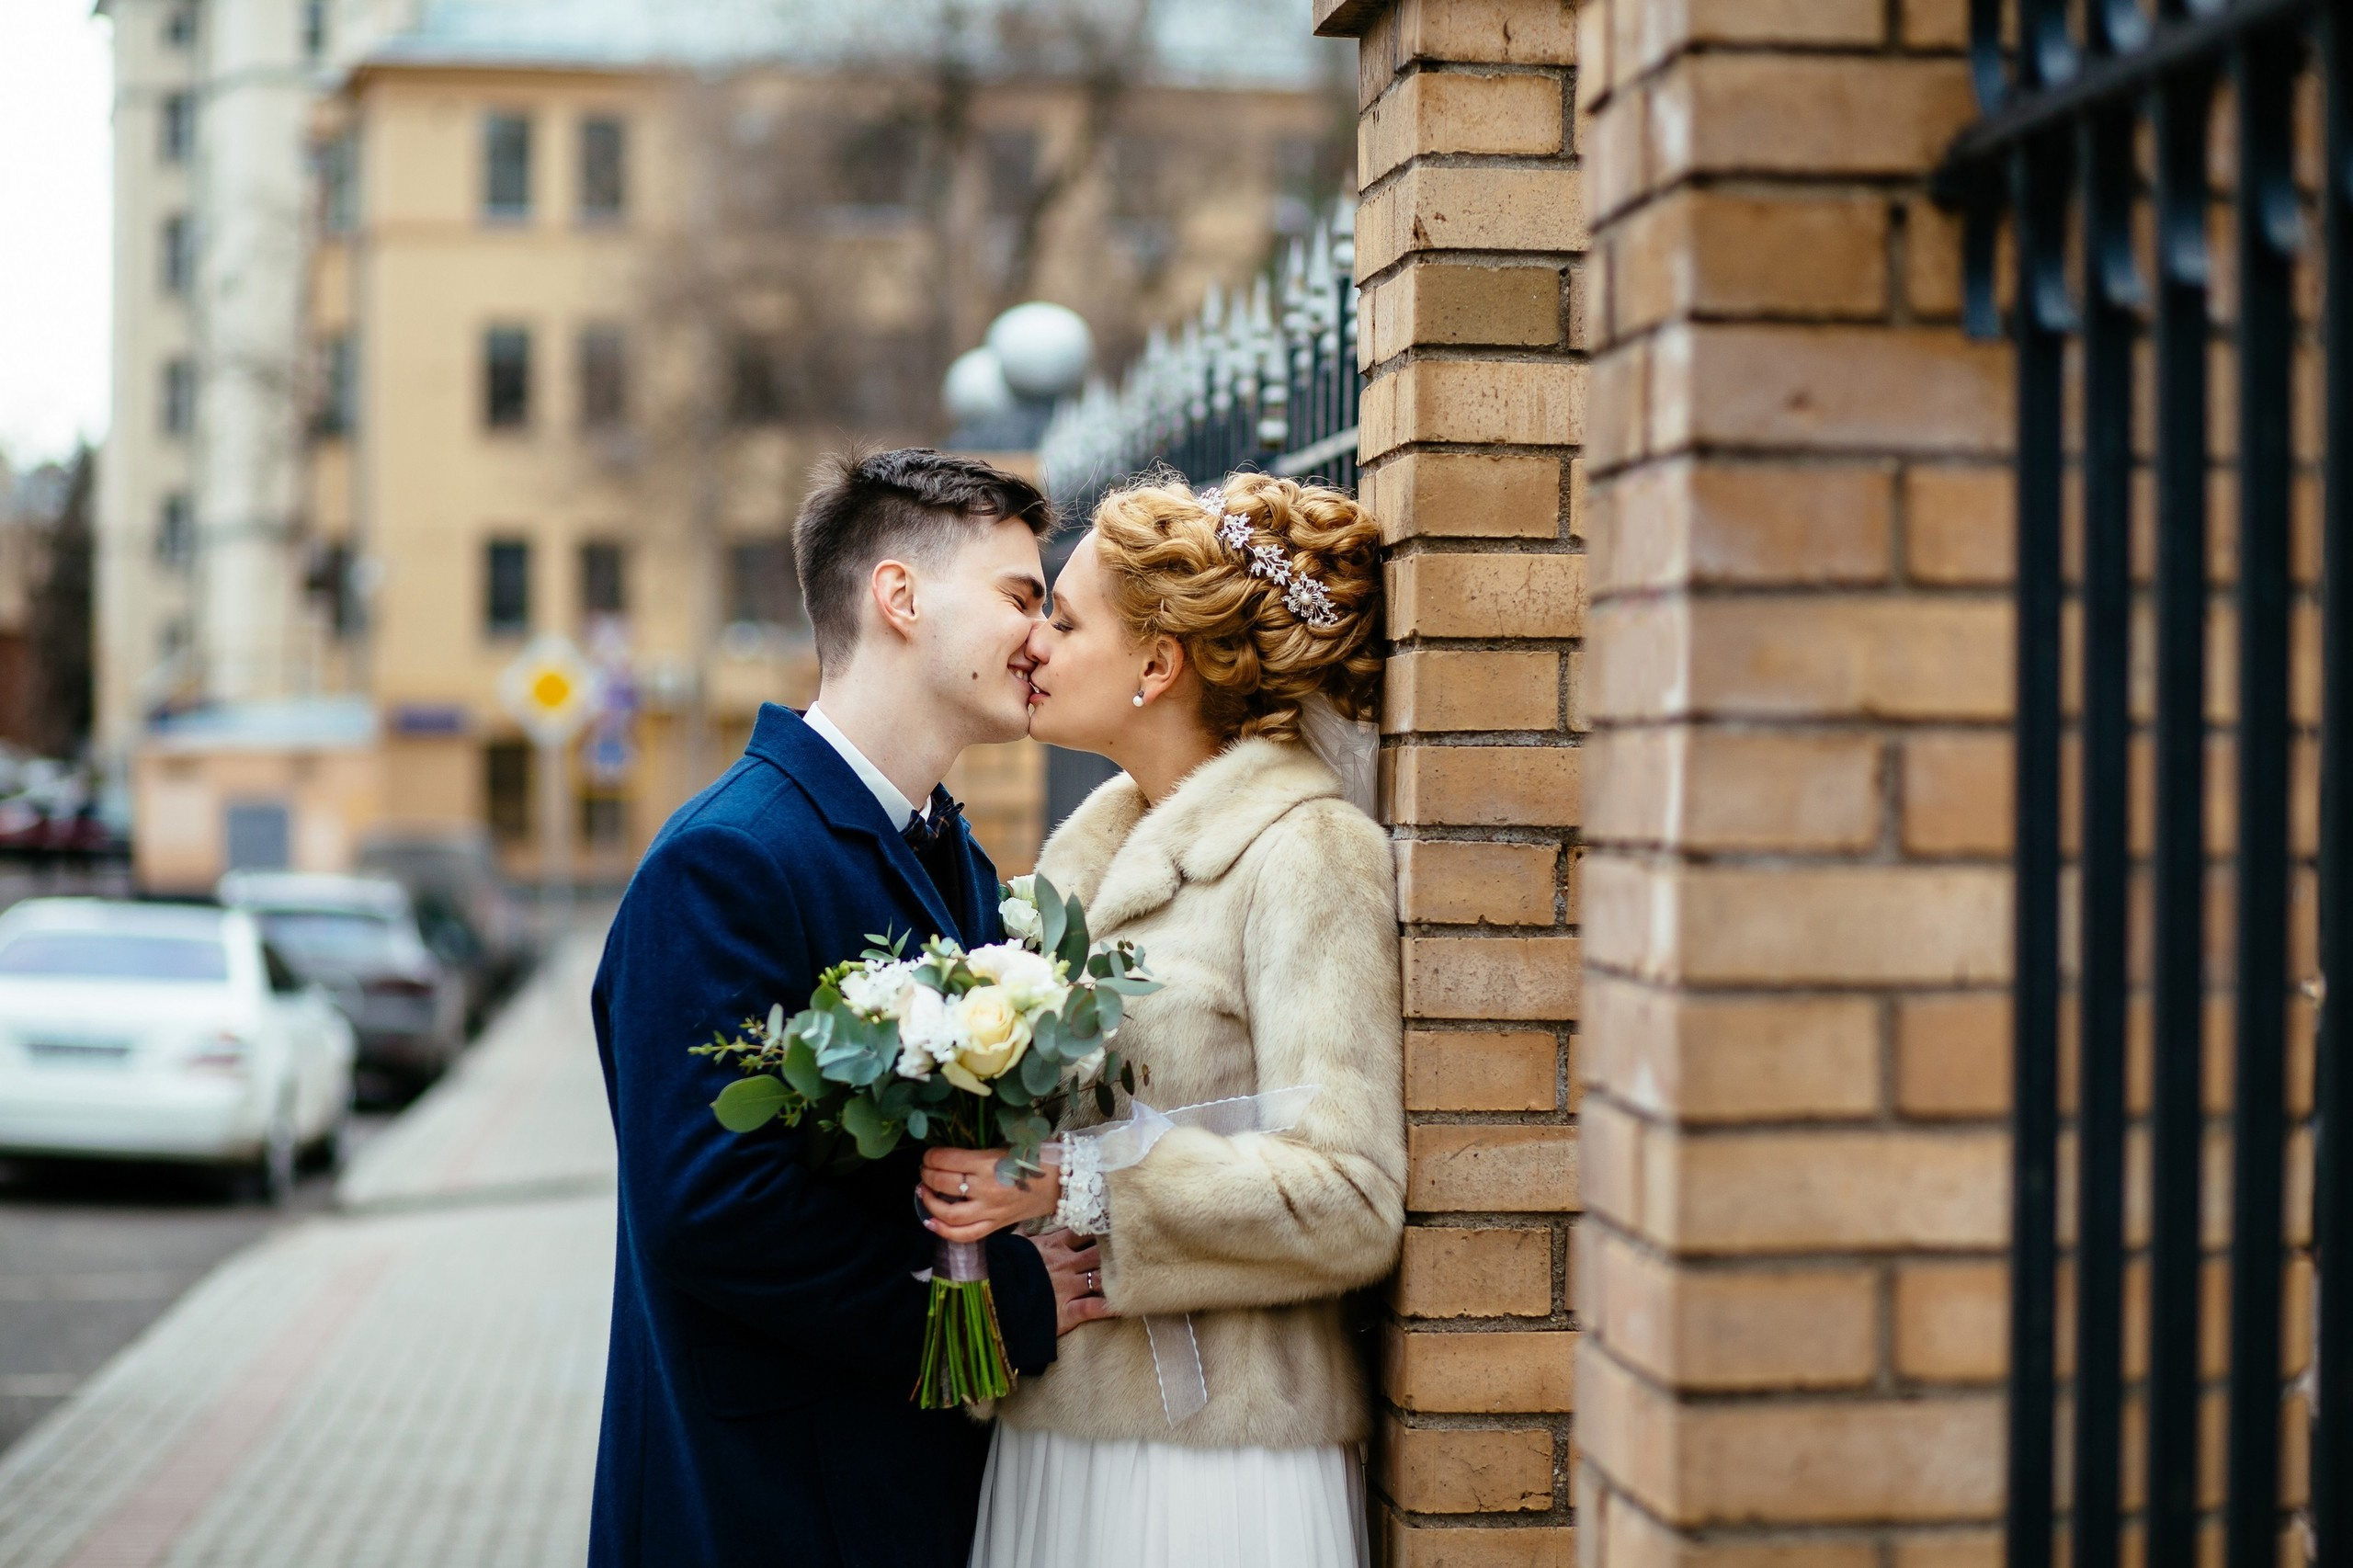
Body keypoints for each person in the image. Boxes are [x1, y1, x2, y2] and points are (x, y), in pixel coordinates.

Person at [587, 449, 1108, 1568]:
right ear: (899, 597)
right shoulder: (725, 860)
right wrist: (993, 1308)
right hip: (764, 1502)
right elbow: (714, 1210)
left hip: (900, 1492)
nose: (1041, 638)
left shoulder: (955, 854)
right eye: (1020, 597)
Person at [915, 471, 1406, 1568]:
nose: (1032, 641)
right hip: (1054, 1431)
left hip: (1212, 1461)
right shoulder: (1078, 866)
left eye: (1064, 619)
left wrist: (1075, 1183)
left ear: (1156, 665)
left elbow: (1353, 1198)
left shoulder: (1305, 851)